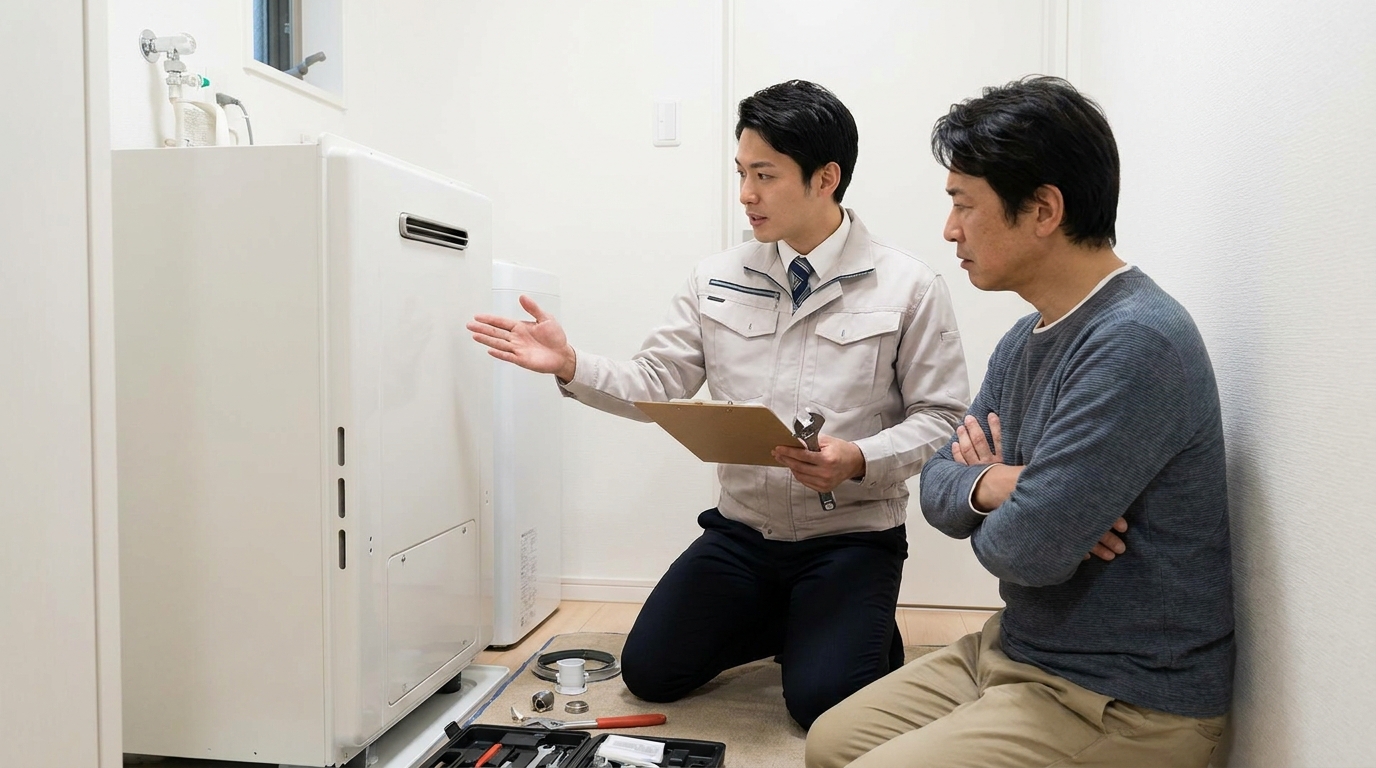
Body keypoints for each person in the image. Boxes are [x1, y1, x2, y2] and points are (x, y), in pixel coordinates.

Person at [467, 80, 970, 729]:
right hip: (742, 538)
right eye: (741, 173)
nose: (745, 194)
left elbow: (943, 417)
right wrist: (569, 364)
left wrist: (859, 459)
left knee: (822, 704)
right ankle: (802, 627)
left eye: (764, 174)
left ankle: (836, 635)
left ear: (826, 177)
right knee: (650, 674)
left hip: (850, 542)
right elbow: (658, 379)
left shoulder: (908, 286)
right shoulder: (716, 278)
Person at [806, 76, 1235, 767]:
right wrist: (997, 486)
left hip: (1121, 697)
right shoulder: (1027, 336)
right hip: (1016, 646)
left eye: (963, 206)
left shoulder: (1137, 341)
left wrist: (1017, 503)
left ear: (1042, 209)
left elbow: (1025, 554)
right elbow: (939, 491)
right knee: (828, 744)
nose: (950, 230)